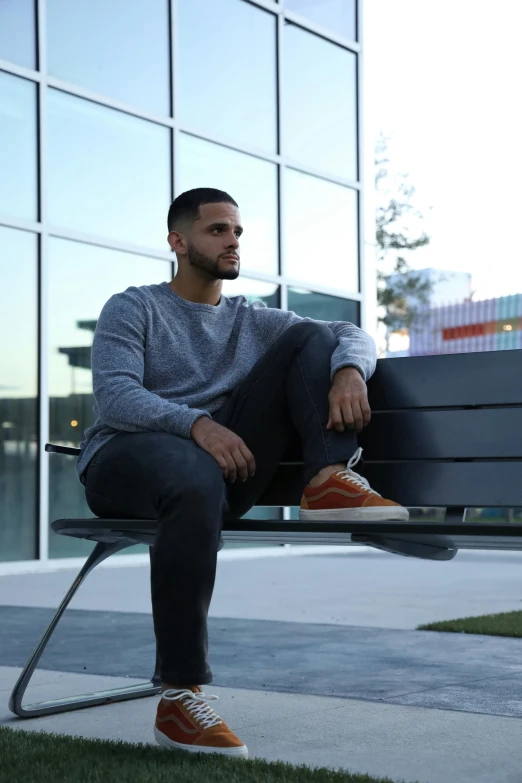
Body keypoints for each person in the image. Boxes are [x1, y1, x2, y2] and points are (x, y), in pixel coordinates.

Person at [77, 187, 407, 759]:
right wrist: (197, 425)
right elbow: (115, 397)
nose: (232, 242)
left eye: (237, 231)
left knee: (315, 336)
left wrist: (349, 370)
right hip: (128, 462)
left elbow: (347, 333)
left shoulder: (253, 320)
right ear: (179, 242)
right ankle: (181, 697)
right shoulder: (134, 307)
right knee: (189, 472)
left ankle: (329, 477)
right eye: (217, 231)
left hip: (215, 476)